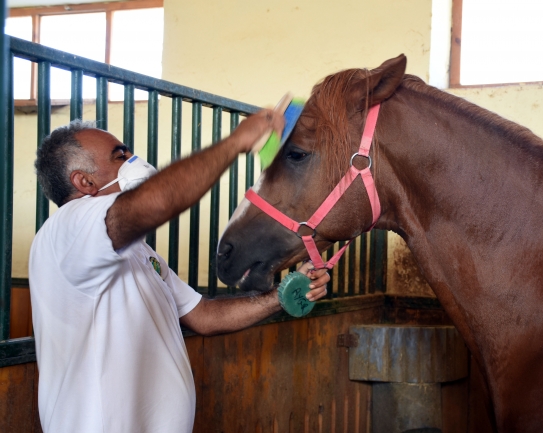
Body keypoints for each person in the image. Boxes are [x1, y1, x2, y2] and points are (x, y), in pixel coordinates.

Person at [28, 109, 329, 433]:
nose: (133, 160)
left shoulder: (136, 252)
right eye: (120, 156)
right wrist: (235, 142)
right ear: (84, 182)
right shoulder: (69, 227)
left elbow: (205, 317)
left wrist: (284, 295)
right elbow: (157, 202)